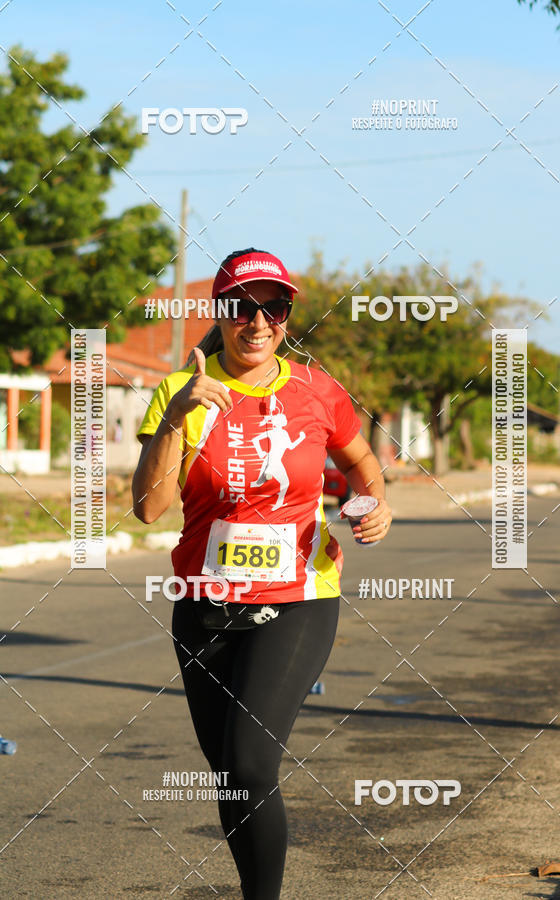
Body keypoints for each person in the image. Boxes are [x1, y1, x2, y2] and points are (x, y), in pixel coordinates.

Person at [132, 247, 392, 899]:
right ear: (218, 313)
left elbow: (361, 464)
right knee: (230, 773)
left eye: (273, 307)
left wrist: (374, 503)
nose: (258, 322)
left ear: (286, 316)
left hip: (300, 598)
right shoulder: (180, 390)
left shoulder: (316, 390)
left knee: (249, 762)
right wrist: (174, 416)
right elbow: (148, 507)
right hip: (204, 604)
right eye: (241, 307)